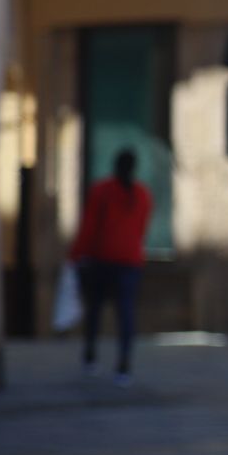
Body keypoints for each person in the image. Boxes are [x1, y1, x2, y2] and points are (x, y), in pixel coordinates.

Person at [71, 149, 153, 386]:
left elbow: (89, 226)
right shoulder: (142, 195)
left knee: (95, 311)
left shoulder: (103, 191)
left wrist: (77, 254)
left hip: (103, 260)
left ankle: (90, 356)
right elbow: (141, 229)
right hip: (129, 261)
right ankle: (124, 364)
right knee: (125, 314)